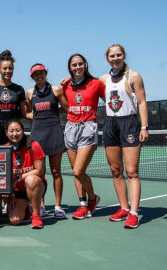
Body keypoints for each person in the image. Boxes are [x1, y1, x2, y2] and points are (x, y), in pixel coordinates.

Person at [100, 44, 149, 229]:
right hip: (110, 124)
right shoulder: (103, 79)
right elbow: (85, 84)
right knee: (115, 170)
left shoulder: (134, 76)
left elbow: (142, 102)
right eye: (112, 56)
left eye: (118, 55)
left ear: (124, 55)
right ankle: (123, 208)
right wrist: (68, 80)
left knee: (132, 172)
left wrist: (144, 127)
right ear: (107, 58)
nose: (115, 58)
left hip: (129, 123)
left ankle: (134, 213)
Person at [62, 53, 105, 220]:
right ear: (70, 68)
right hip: (70, 128)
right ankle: (83, 205)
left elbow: (111, 100)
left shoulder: (96, 84)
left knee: (79, 171)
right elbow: (64, 105)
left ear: (85, 65)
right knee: (75, 172)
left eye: (80, 64)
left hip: (88, 128)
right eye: (74, 65)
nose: (77, 67)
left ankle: (93, 199)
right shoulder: (66, 86)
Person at [26, 63, 69, 219]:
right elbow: (29, 112)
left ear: (46, 73)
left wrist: (52, 113)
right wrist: (39, 117)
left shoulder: (56, 89)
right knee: (40, 173)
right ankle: (41, 206)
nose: (39, 76)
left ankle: (58, 206)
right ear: (32, 77)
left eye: (41, 73)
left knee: (56, 172)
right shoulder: (30, 92)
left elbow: (66, 107)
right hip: (37, 135)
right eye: (35, 74)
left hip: (54, 132)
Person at [5, 119, 47, 229]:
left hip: (35, 185)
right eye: (12, 131)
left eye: (18, 130)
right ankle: (26, 208)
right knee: (15, 220)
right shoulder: (3, 149)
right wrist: (10, 195)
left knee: (31, 179)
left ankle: (36, 215)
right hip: (17, 190)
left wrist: (19, 177)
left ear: (23, 131)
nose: (15, 134)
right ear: (6, 133)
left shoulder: (34, 146)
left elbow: (40, 171)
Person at [0, 50, 27, 145]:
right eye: (4, 68)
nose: (7, 71)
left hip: (15, 135)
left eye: (10, 68)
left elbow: (24, 113)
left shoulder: (19, 89)